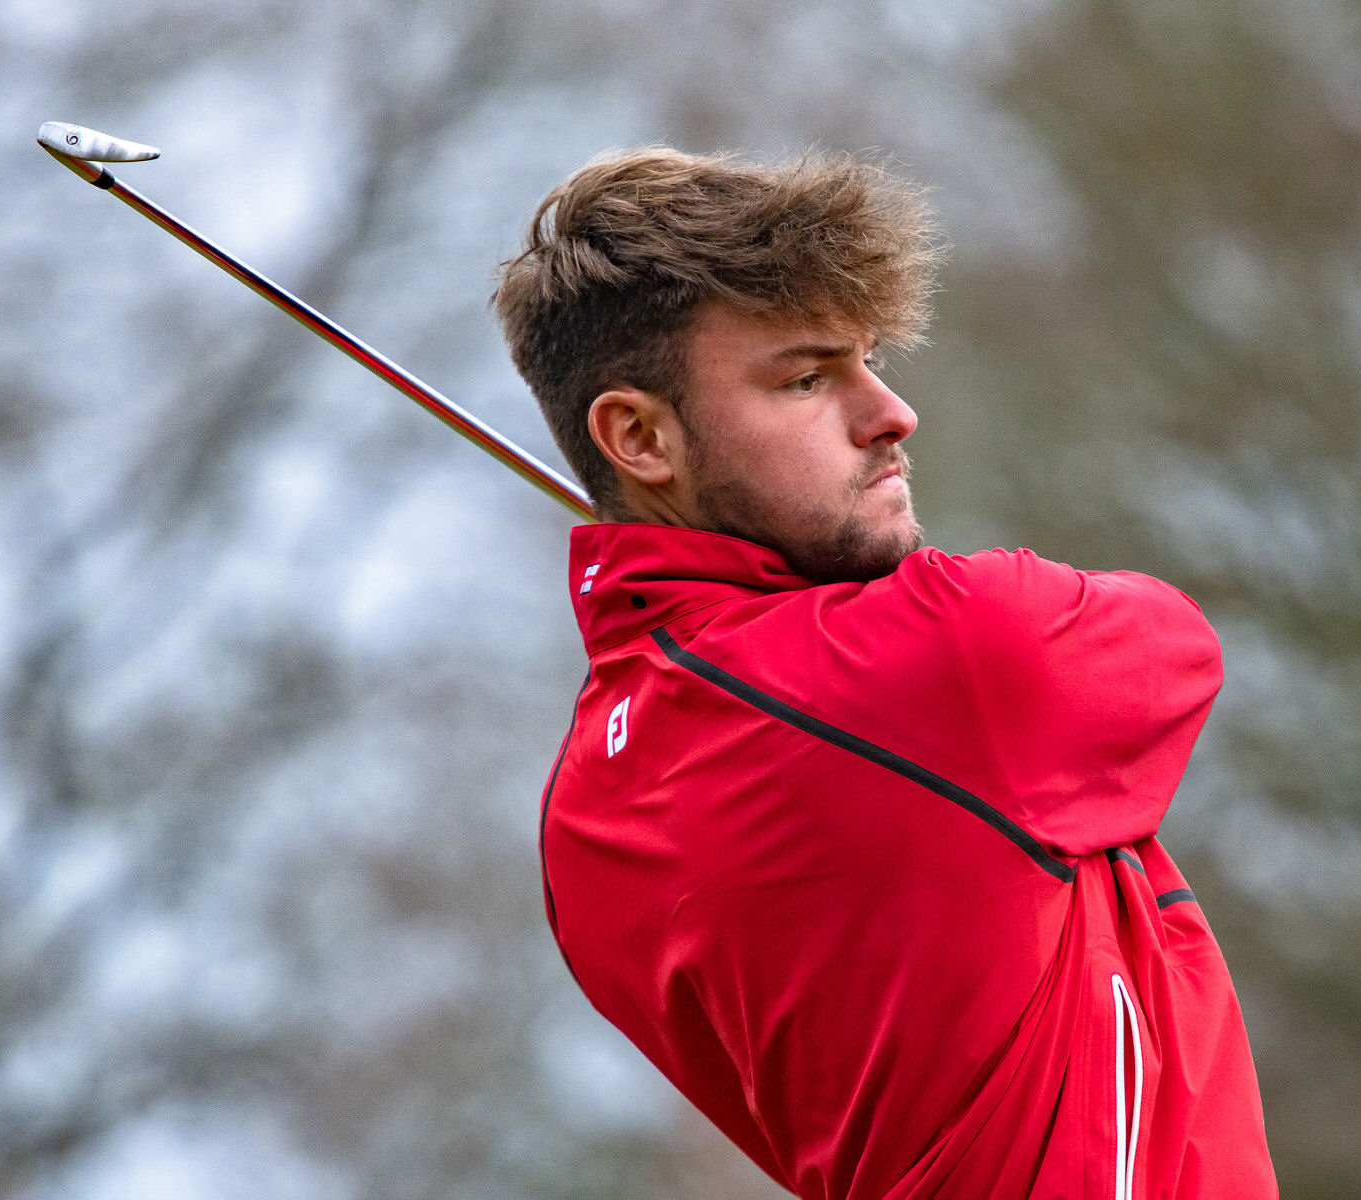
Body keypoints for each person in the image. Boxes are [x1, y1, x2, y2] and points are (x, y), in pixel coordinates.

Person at [492, 148, 1278, 1199]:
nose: (890, 412)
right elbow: (1173, 643)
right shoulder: (945, 652)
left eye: (870, 360)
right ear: (637, 438)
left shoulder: (578, 822)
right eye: (807, 378)